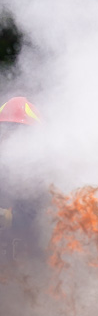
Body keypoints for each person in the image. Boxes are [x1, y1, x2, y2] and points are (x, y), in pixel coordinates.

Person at [0, 96, 42, 263]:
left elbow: (40, 221)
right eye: (5, 129)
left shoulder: (46, 175)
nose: (10, 137)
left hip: (27, 269)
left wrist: (8, 217)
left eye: (18, 131)